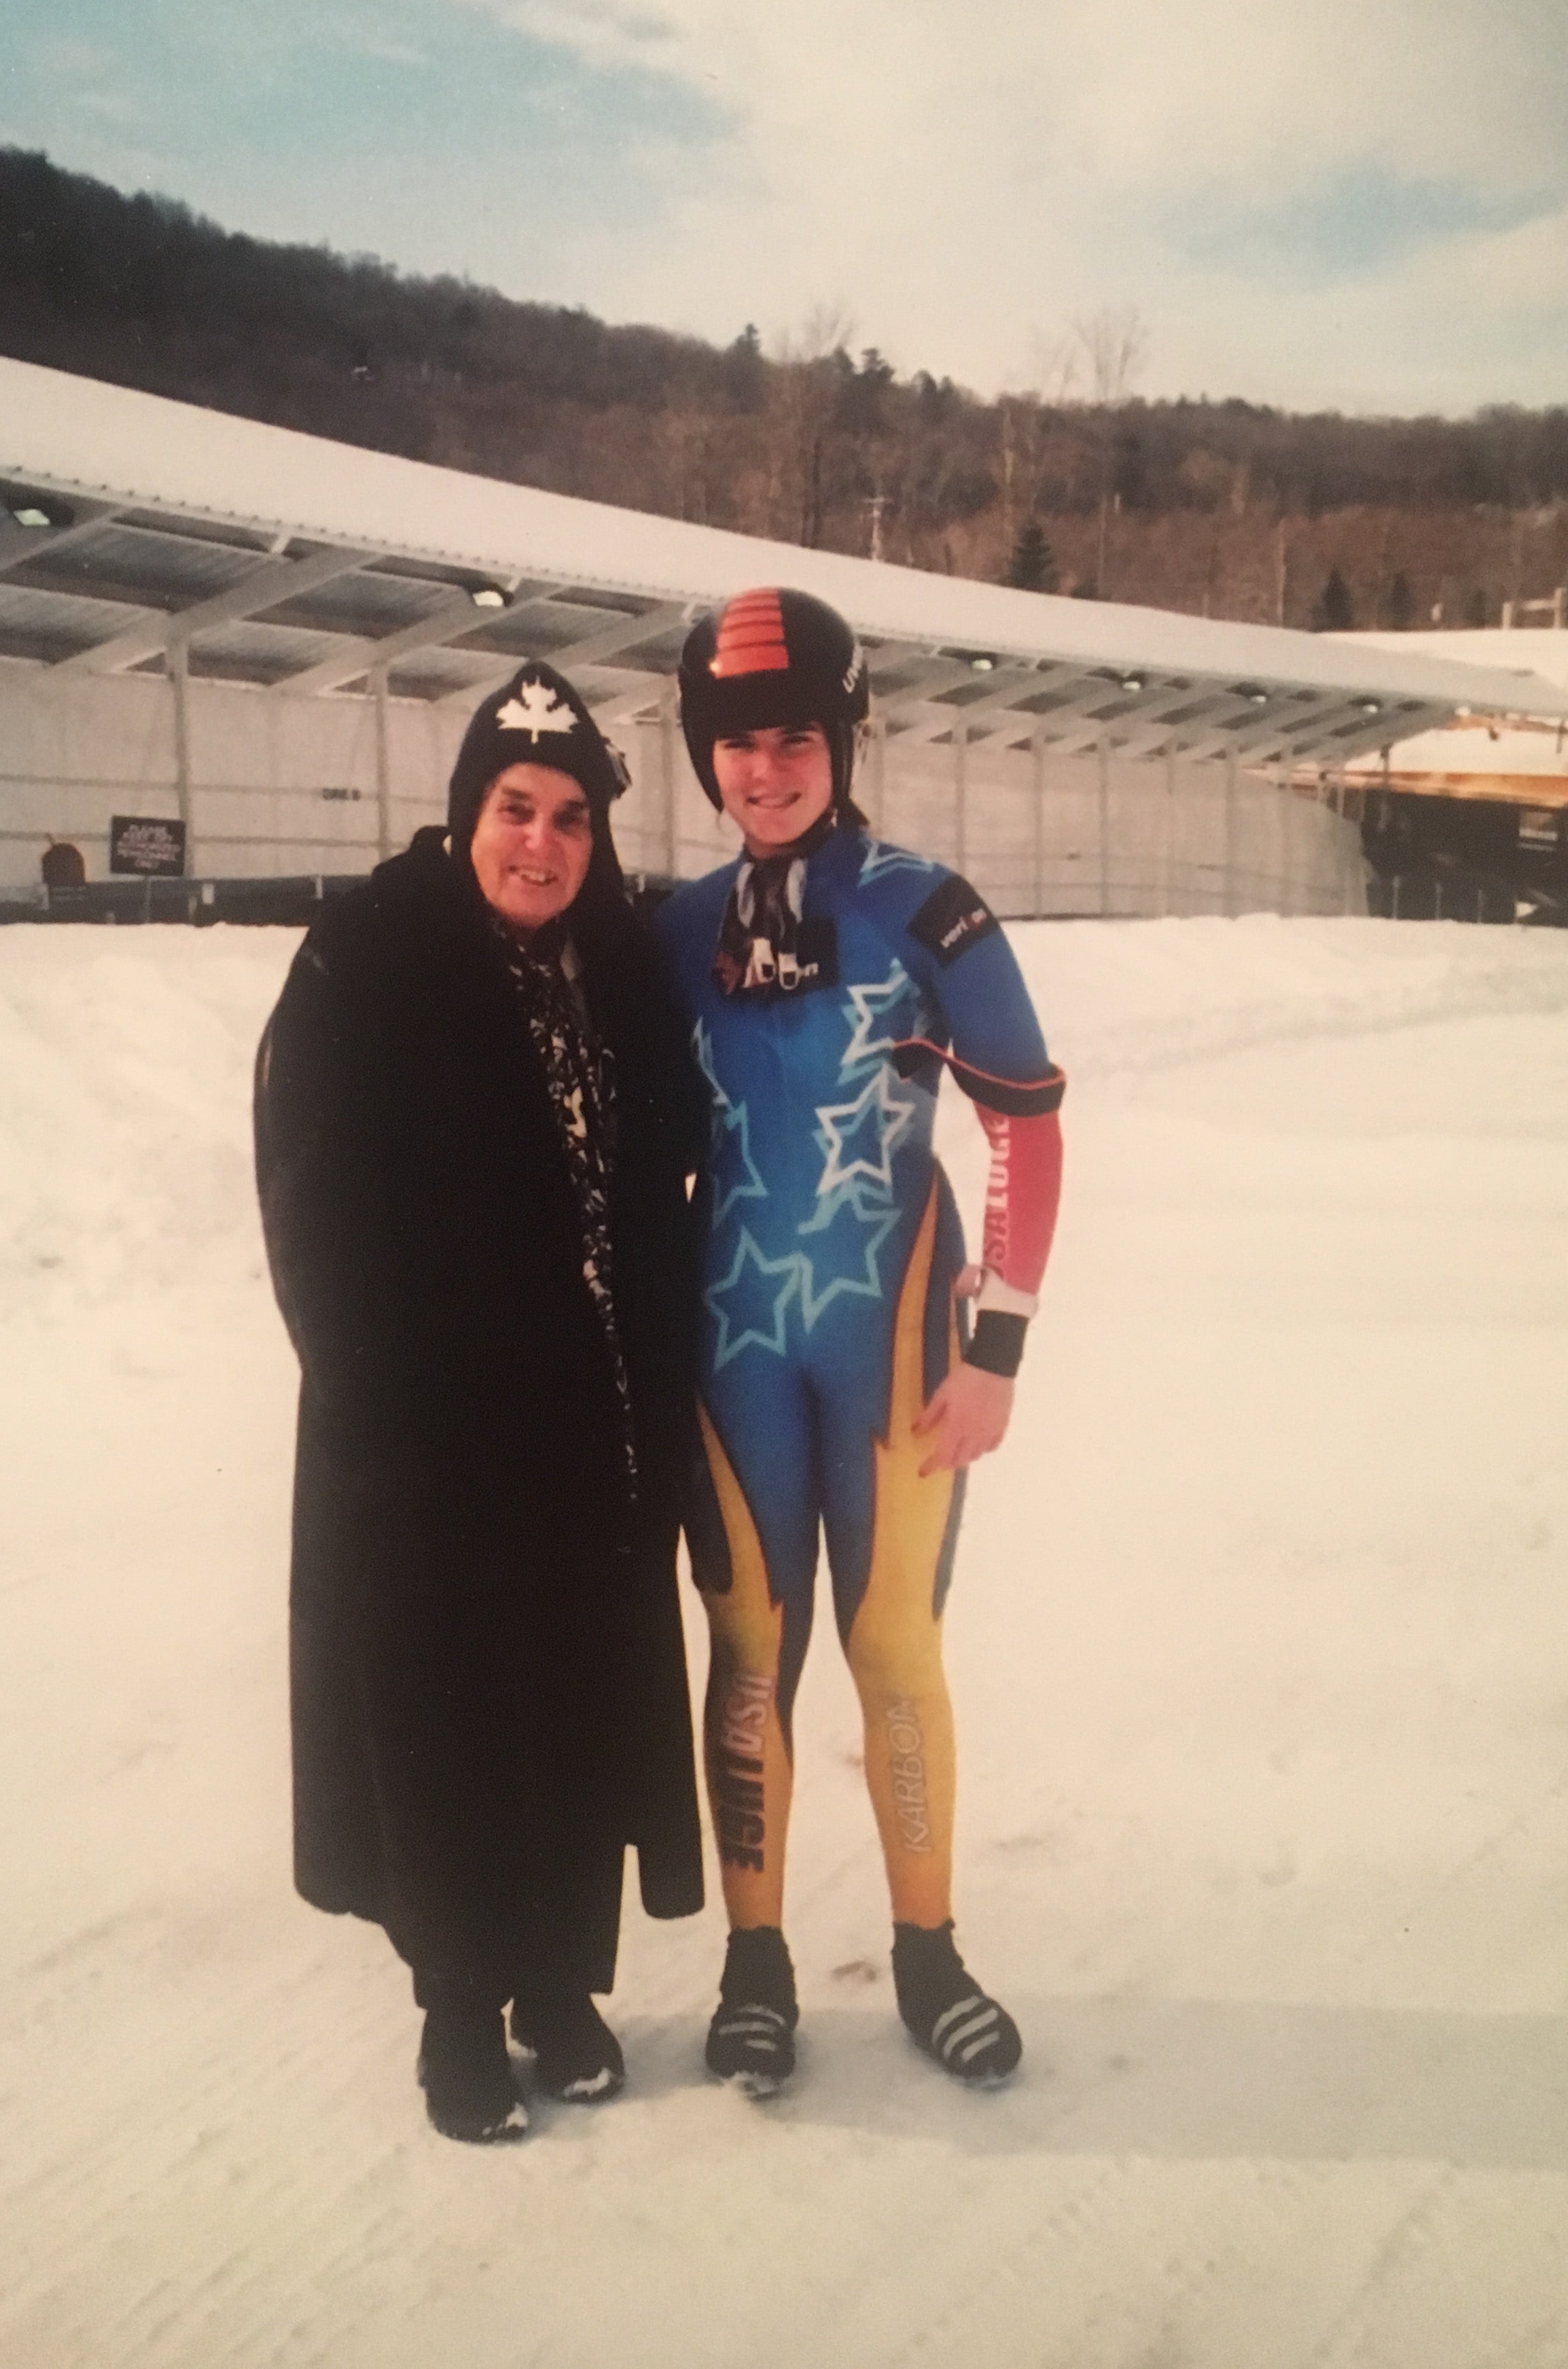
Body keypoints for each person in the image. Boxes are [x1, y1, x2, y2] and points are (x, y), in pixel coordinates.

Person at [254, 660, 707, 2144]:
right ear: (466, 813)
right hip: (429, 1438)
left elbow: (671, 1176)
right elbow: (310, 1211)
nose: (542, 843)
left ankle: (560, 1986)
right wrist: (384, 1415)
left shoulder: (620, 960)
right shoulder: (369, 957)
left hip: (593, 1427)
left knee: (577, 1709)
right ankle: (458, 2007)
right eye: (516, 808)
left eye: (571, 817)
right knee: (446, 1720)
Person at [656, 587, 1065, 2096]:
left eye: (793, 740)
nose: (764, 771)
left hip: (895, 1336)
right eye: (734, 744)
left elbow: (1028, 1124)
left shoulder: (924, 907)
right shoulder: (673, 929)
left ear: (842, 739)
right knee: (747, 1651)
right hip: (732, 1343)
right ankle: (755, 1964)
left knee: (891, 1644)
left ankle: (928, 1951)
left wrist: (998, 1347)